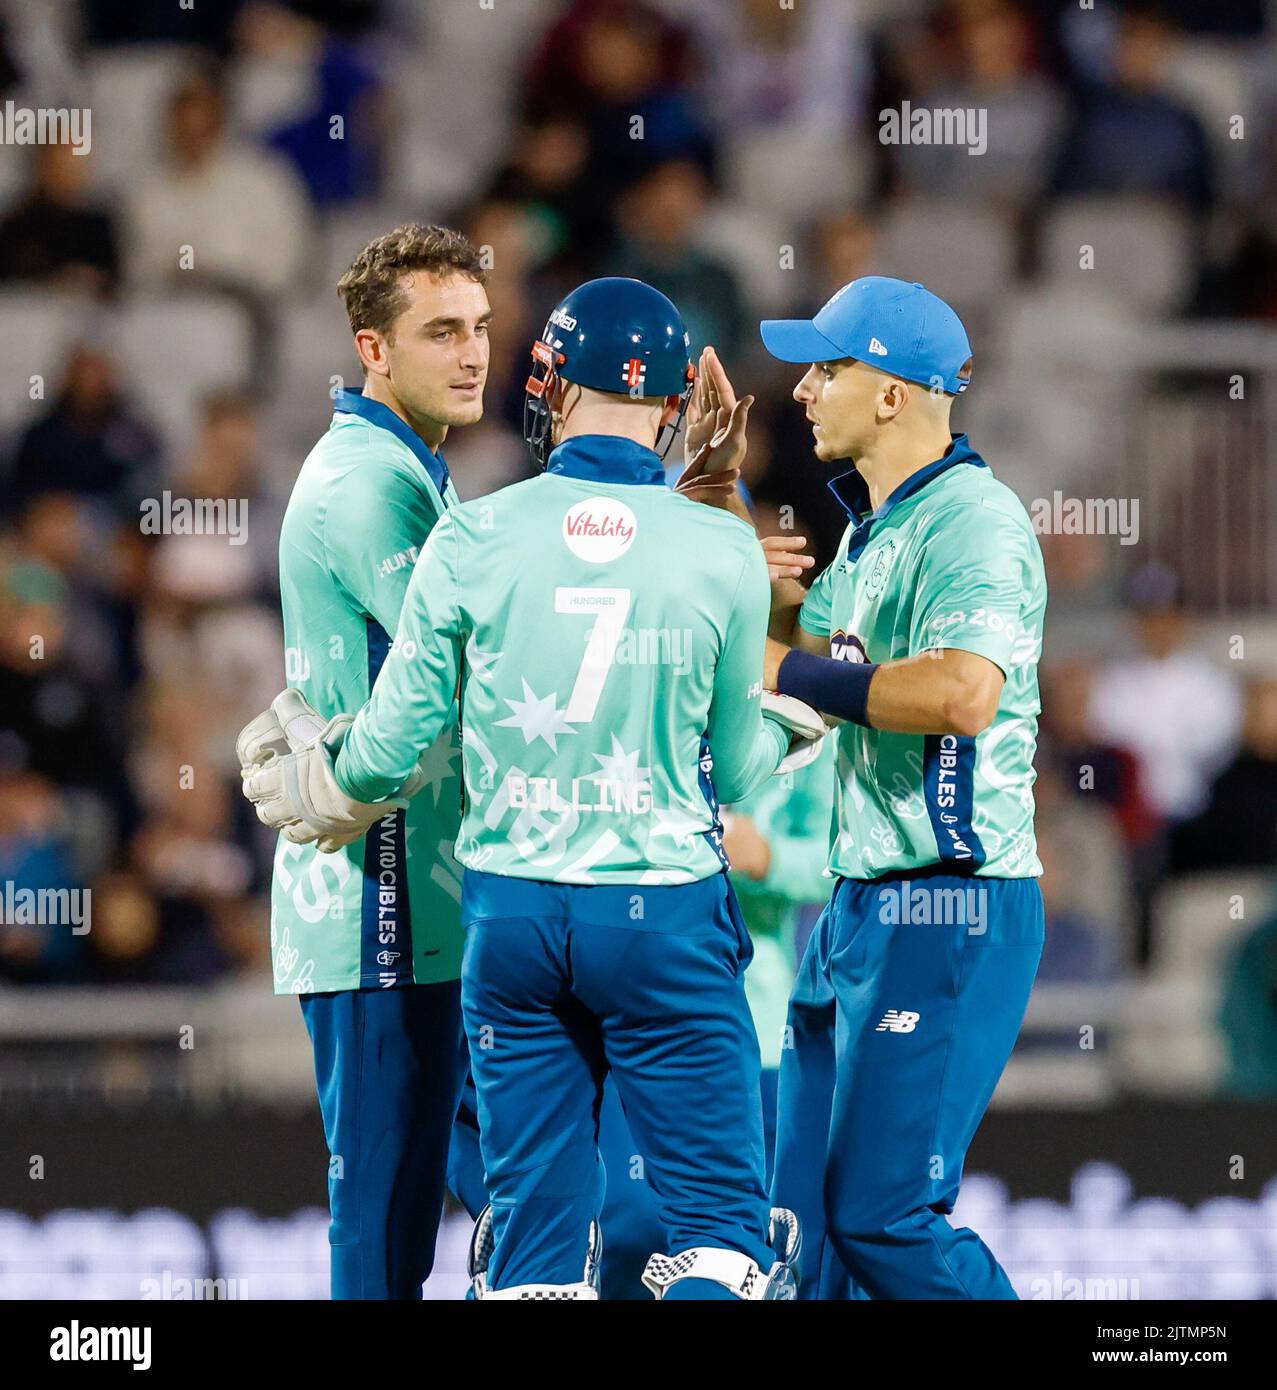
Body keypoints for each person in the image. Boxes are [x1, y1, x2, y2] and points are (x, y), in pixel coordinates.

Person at [241, 276, 826, 1299]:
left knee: (533, 1264)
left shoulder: (473, 535)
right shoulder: (722, 545)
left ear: (548, 384)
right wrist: (792, 716)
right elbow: (732, 771)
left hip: (511, 921)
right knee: (721, 1244)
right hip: (661, 921)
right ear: (684, 396)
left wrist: (315, 774)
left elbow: (386, 749)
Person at [690, 277, 1047, 1299]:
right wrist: (718, 530)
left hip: (946, 901)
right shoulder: (870, 529)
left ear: (890, 392)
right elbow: (807, 679)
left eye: (826, 368)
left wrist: (776, 661)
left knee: (881, 1218)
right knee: (802, 1239)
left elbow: (960, 692)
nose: (801, 390)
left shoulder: (972, 523)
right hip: (853, 908)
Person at [239, 223, 491, 1298]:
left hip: (432, 906)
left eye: (479, 326)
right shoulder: (366, 487)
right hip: (376, 906)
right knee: (384, 1240)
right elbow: (475, 664)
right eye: (440, 331)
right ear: (371, 349)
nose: (472, 353)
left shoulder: (409, 471)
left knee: (488, 1203)